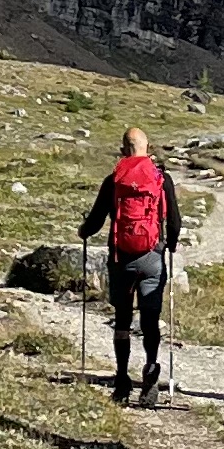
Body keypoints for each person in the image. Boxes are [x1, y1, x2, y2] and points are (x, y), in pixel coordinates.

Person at [78, 125, 181, 406]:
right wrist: (169, 244)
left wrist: (83, 231)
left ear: (124, 149)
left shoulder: (114, 180)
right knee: (150, 318)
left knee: (122, 320)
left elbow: (96, 221)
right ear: (148, 148)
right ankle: (150, 370)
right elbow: (174, 221)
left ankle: (122, 379)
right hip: (152, 257)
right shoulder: (161, 179)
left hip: (121, 258)